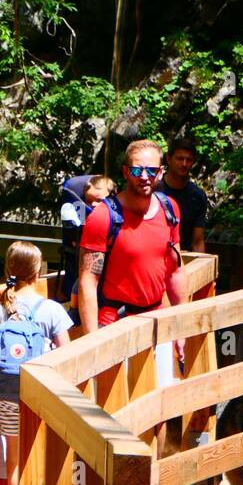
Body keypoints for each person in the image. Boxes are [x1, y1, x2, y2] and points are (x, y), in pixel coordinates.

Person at [0, 241, 73, 485]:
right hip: (41, 395)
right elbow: (67, 353)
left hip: (7, 394)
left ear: (9, 269)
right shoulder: (50, 309)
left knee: (15, 461)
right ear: (38, 272)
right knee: (44, 457)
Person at [77, 139, 189, 339]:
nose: (144, 177)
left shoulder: (169, 209)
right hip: (114, 325)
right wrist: (91, 342)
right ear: (126, 172)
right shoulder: (104, 217)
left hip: (157, 321)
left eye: (151, 171)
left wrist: (182, 329)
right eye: (137, 171)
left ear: (161, 172)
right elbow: (88, 282)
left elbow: (175, 271)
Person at [57, 175, 115, 303]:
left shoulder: (115, 217)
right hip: (80, 275)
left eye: (99, 200)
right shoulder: (76, 213)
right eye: (88, 201)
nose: (93, 205)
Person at [152, 136, 209, 253]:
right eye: (179, 158)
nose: (184, 164)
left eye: (189, 160)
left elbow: (198, 240)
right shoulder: (153, 191)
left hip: (185, 259)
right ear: (169, 159)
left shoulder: (197, 196)